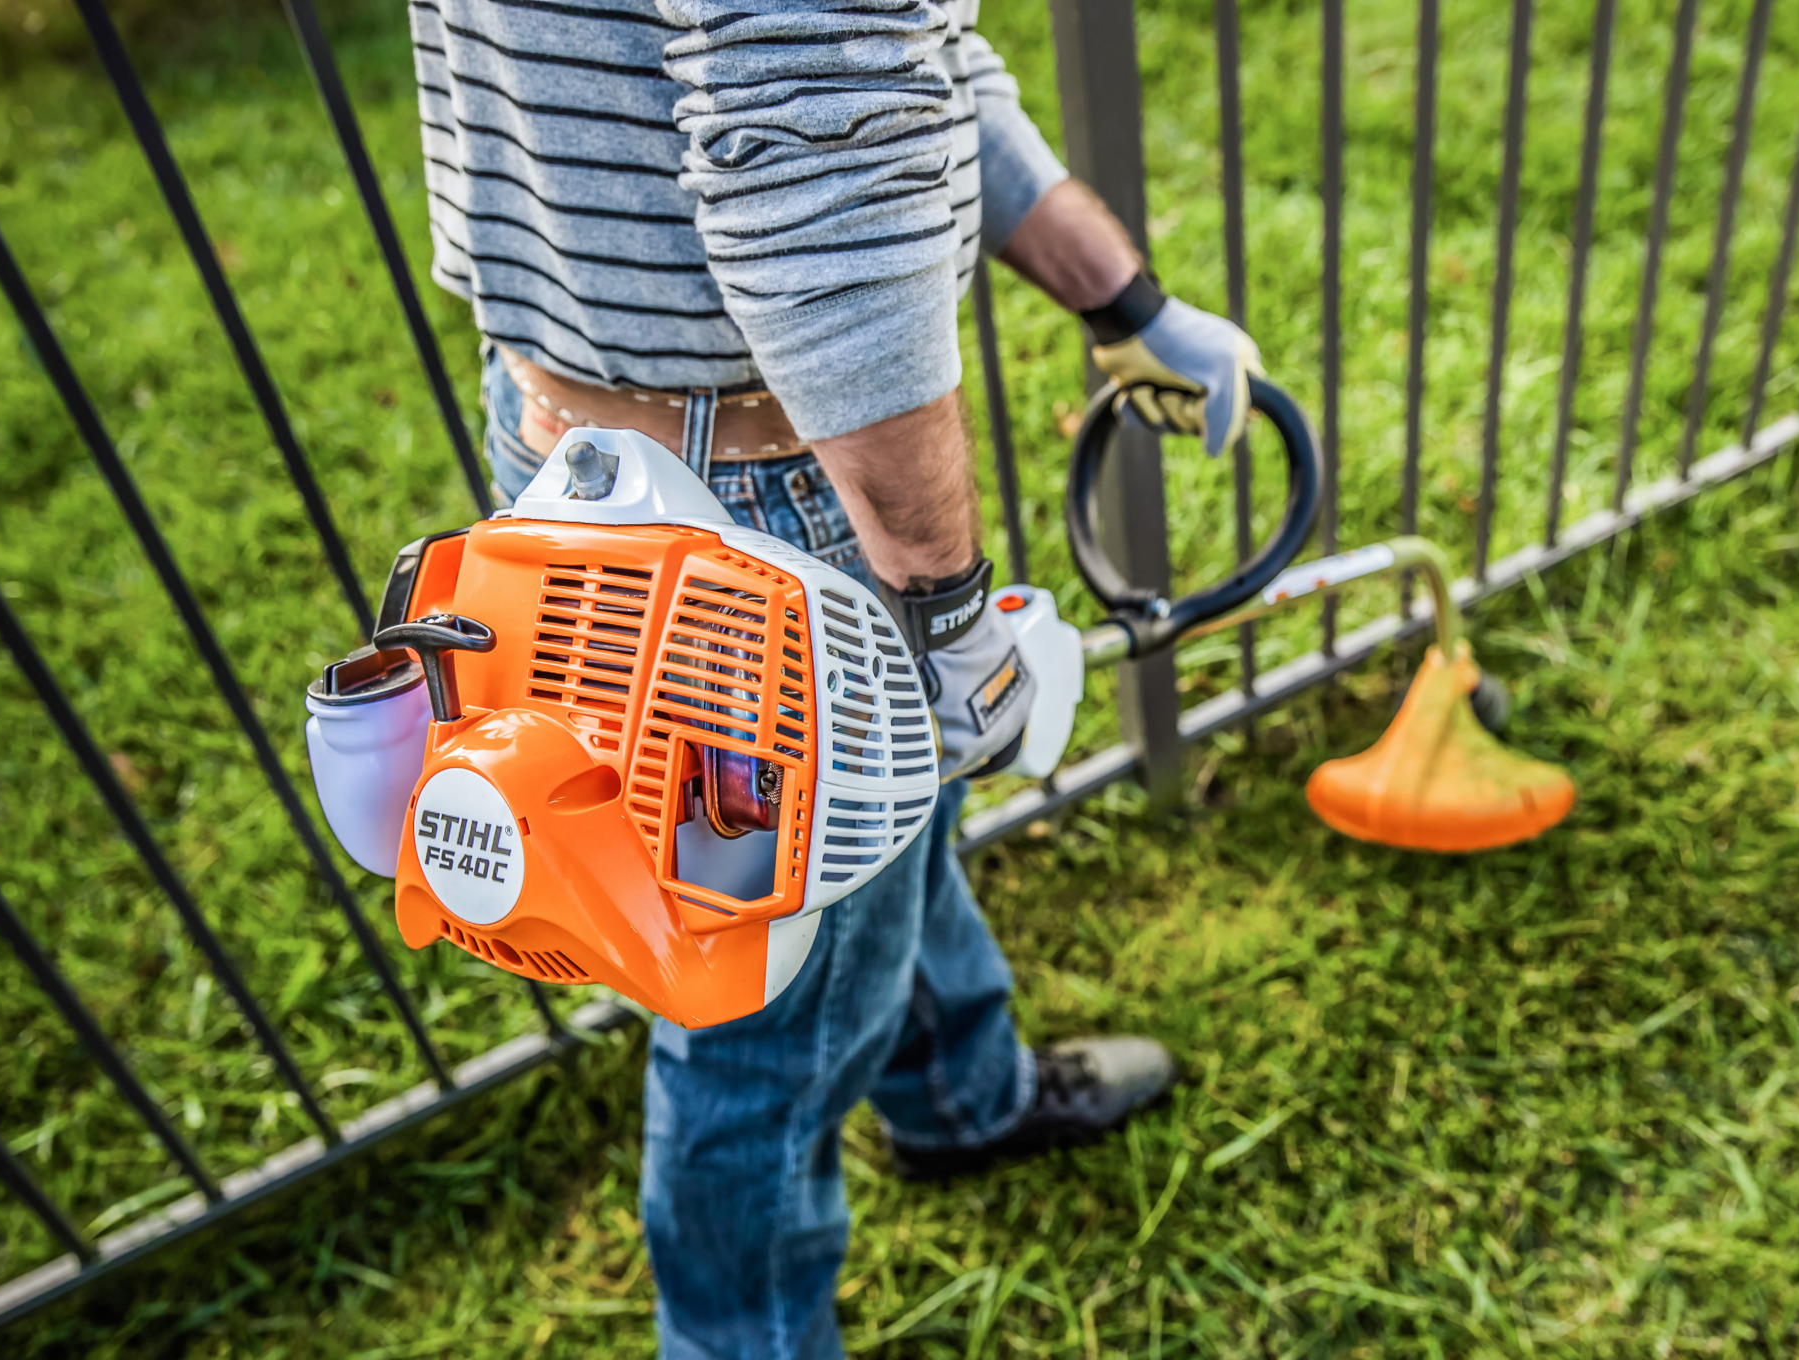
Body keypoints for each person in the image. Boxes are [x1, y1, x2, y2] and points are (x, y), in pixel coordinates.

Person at [409, 1, 1263, 1353]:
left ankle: (956, 1097)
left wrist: (1123, 297)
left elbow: (889, 63)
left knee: (866, 847)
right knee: (755, 1005)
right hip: (758, 508)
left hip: (579, 431)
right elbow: (822, 173)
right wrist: (942, 608)